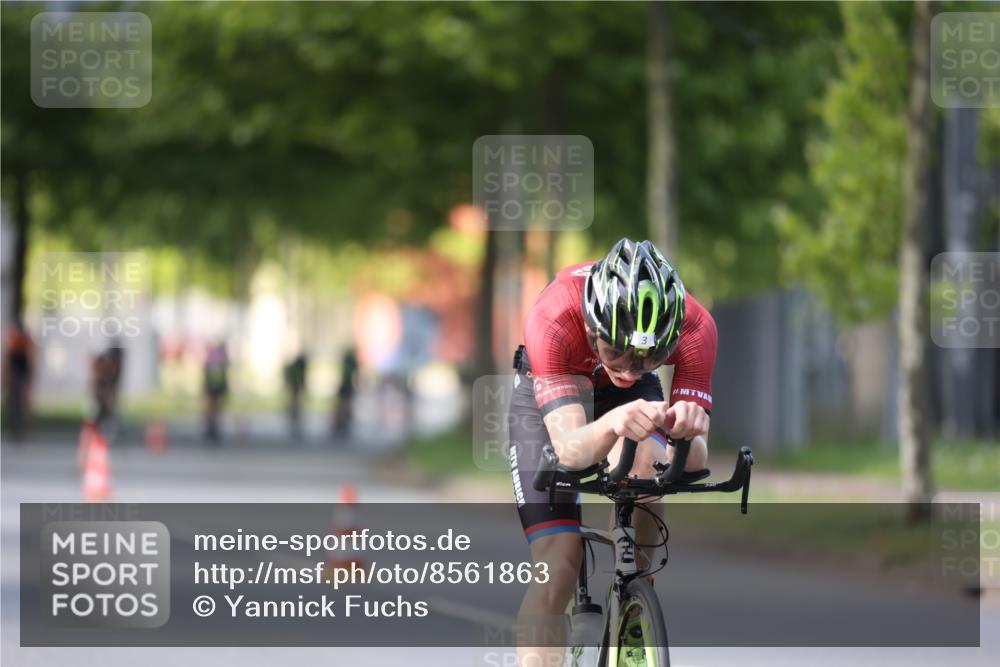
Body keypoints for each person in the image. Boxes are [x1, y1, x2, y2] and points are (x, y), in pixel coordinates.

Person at [508, 238, 717, 664]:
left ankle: (634, 602)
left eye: (649, 357)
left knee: (647, 468)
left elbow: (695, 462)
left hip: (629, 402)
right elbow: (570, 451)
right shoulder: (553, 318)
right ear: (592, 329)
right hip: (551, 390)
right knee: (558, 566)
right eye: (613, 351)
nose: (628, 367)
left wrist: (686, 432)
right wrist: (612, 422)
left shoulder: (695, 329)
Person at [2, 318, 35, 439]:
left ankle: (20, 425)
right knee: (18, 397)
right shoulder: (19, 337)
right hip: (18, 364)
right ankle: (17, 424)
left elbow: (9, 358)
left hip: (19, 364)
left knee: (19, 397)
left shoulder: (16, 337)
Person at [202, 341, 229, 442]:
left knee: (213, 409)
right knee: (214, 409)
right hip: (215, 387)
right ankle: (212, 428)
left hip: (214, 387)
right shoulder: (220, 358)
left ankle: (212, 428)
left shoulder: (213, 358)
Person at [332, 347, 358, 441]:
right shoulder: (350, 363)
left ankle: (342, 424)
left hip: (346, 387)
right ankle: (340, 424)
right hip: (346, 387)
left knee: (344, 406)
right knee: (344, 406)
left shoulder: (347, 363)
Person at [284, 352, 309, 440]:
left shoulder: (295, 367)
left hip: (295, 389)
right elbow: (300, 379)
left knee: (295, 407)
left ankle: (295, 422)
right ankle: (294, 422)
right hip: (295, 389)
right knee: (295, 406)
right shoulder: (298, 368)